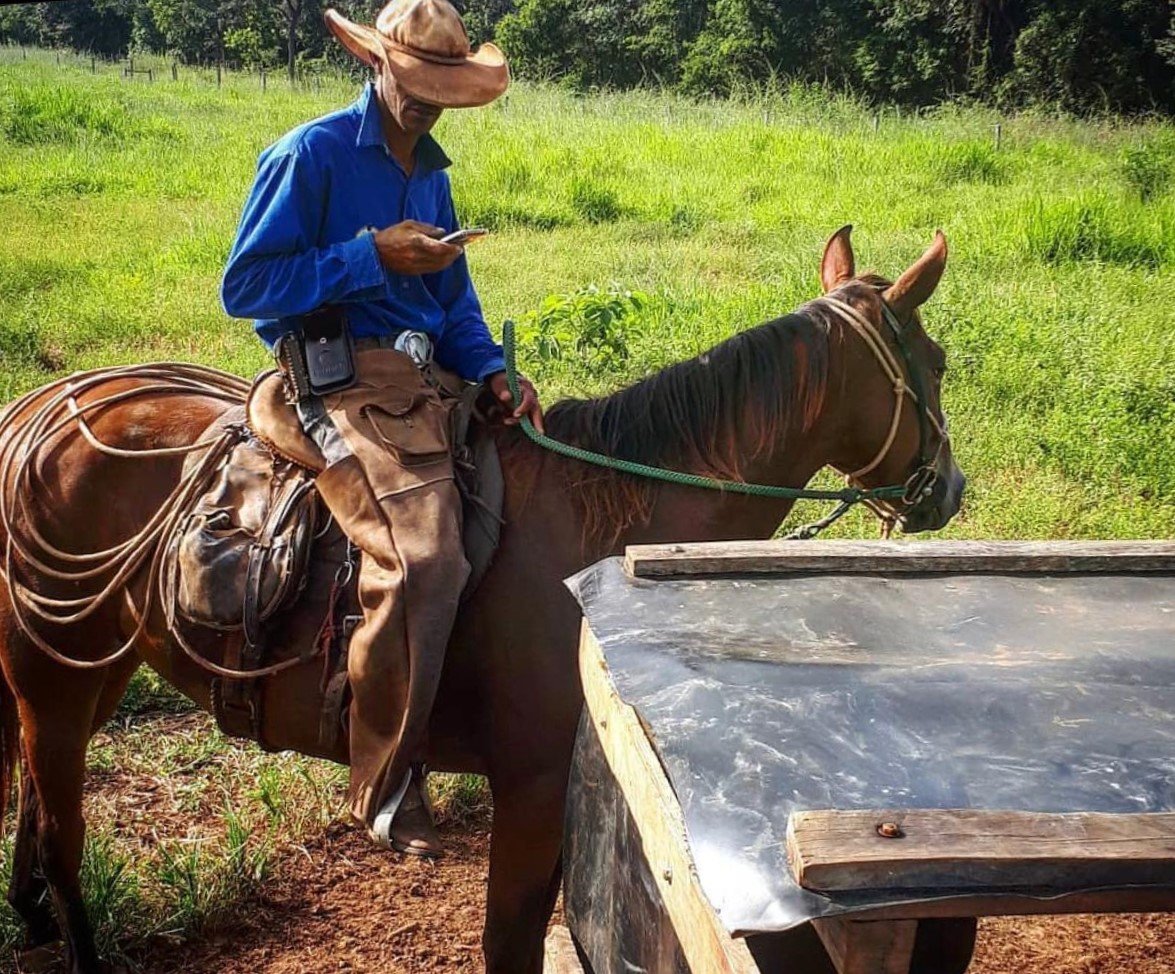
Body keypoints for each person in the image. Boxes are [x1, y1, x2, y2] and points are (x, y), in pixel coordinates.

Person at [220, 0, 543, 858]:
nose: (427, 104)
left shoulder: (431, 174)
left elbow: (455, 306)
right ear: (377, 66)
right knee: (424, 560)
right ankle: (387, 780)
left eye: (445, 91)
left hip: (422, 376)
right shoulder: (311, 154)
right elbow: (247, 286)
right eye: (416, 85)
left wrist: (492, 370)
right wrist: (372, 255)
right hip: (334, 375)